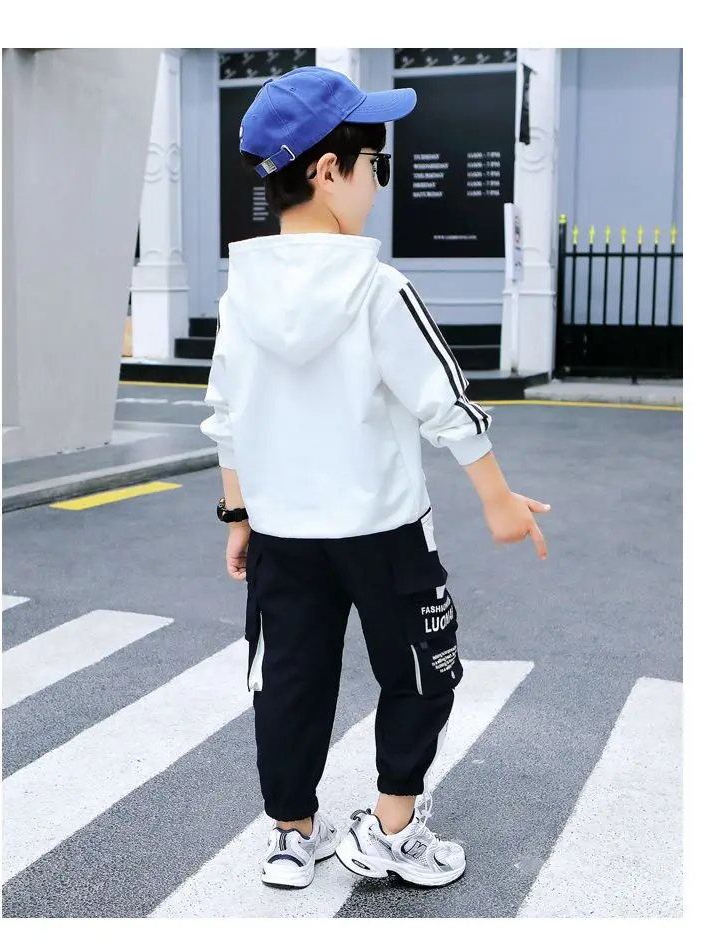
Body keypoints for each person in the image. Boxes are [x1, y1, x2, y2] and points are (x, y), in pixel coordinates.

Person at [201, 66, 550, 891]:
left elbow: (226, 414)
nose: (380, 181)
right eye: (376, 164)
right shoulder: (379, 288)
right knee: (422, 672)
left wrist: (238, 516)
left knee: (289, 680)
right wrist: (497, 499)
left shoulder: (241, 292)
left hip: (283, 533)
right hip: (384, 532)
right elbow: (445, 400)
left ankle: (293, 836)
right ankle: (392, 830)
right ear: (329, 171)